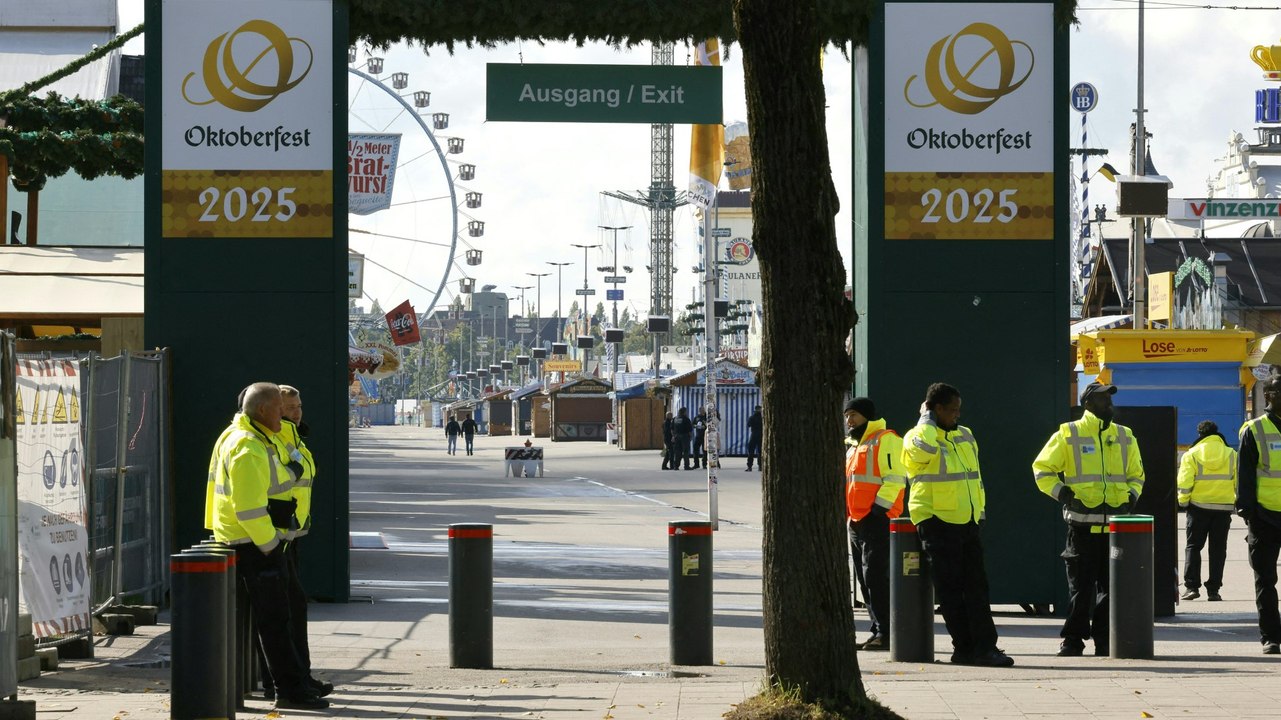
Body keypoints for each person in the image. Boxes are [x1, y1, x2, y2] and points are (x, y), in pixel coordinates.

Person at [206, 382, 327, 710]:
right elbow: (248, 508)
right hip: (255, 543)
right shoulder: (248, 446)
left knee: (280, 614)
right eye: (280, 409)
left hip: (258, 541)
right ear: (263, 410)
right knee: (274, 618)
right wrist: (271, 545)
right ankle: (289, 690)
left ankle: (293, 685)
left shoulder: (259, 438)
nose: (286, 415)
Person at [902, 382, 1013, 667]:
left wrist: (981, 512)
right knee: (951, 590)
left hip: (967, 521)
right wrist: (925, 419)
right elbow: (924, 450)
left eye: (958, 410)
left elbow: (974, 478)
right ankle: (966, 648)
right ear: (935, 409)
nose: (957, 415)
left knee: (977, 588)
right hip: (936, 521)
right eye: (951, 410)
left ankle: (982, 648)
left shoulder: (965, 435)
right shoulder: (917, 436)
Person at [1032, 382, 1144, 657]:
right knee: (1081, 590)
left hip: (1116, 528)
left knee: (1111, 590)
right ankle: (1072, 640)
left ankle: (1104, 640)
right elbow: (1042, 469)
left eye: (1110, 398)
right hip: (1081, 527)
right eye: (1103, 399)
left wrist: (1131, 495)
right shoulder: (1068, 433)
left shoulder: (1125, 435)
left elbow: (1137, 474)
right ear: (1088, 404)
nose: (1109, 404)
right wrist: (1063, 494)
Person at [844, 397, 904, 651]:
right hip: (857, 520)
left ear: (867, 415)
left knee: (875, 577)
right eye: (847, 415)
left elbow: (896, 478)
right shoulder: (854, 445)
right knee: (865, 577)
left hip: (875, 520)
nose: (849, 420)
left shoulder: (886, 439)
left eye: (854, 415)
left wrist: (877, 511)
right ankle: (878, 629)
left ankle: (886, 632)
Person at [1237, 374, 1281, 655]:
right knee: (1265, 579)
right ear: (1269, 396)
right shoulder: (1254, 430)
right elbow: (1244, 475)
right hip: (1265, 517)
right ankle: (1271, 637)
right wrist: (1248, 511)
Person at [1178, 420, 1236, 602]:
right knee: (1218, 550)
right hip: (1223, 508)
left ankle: (1192, 587)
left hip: (1198, 508)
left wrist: (1183, 502)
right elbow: (1239, 482)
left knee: (1194, 547)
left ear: (1200, 434)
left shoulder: (1191, 455)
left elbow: (1185, 482)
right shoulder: (1232, 454)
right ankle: (1214, 590)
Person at [745, 405, 763, 471]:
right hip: (761, 435)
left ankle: (749, 466)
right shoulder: (763, 418)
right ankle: (760, 466)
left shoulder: (752, 417)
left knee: (751, 451)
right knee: (760, 451)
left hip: (754, 435)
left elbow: (748, 425)